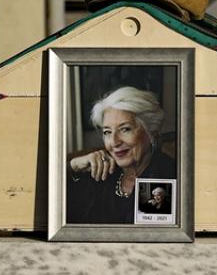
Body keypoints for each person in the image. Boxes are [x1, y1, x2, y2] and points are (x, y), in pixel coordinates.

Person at [67, 86, 175, 224]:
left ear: (151, 133)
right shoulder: (102, 170)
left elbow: (148, 237)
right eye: (107, 132)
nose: (114, 142)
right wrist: (73, 166)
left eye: (125, 129)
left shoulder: (164, 175)